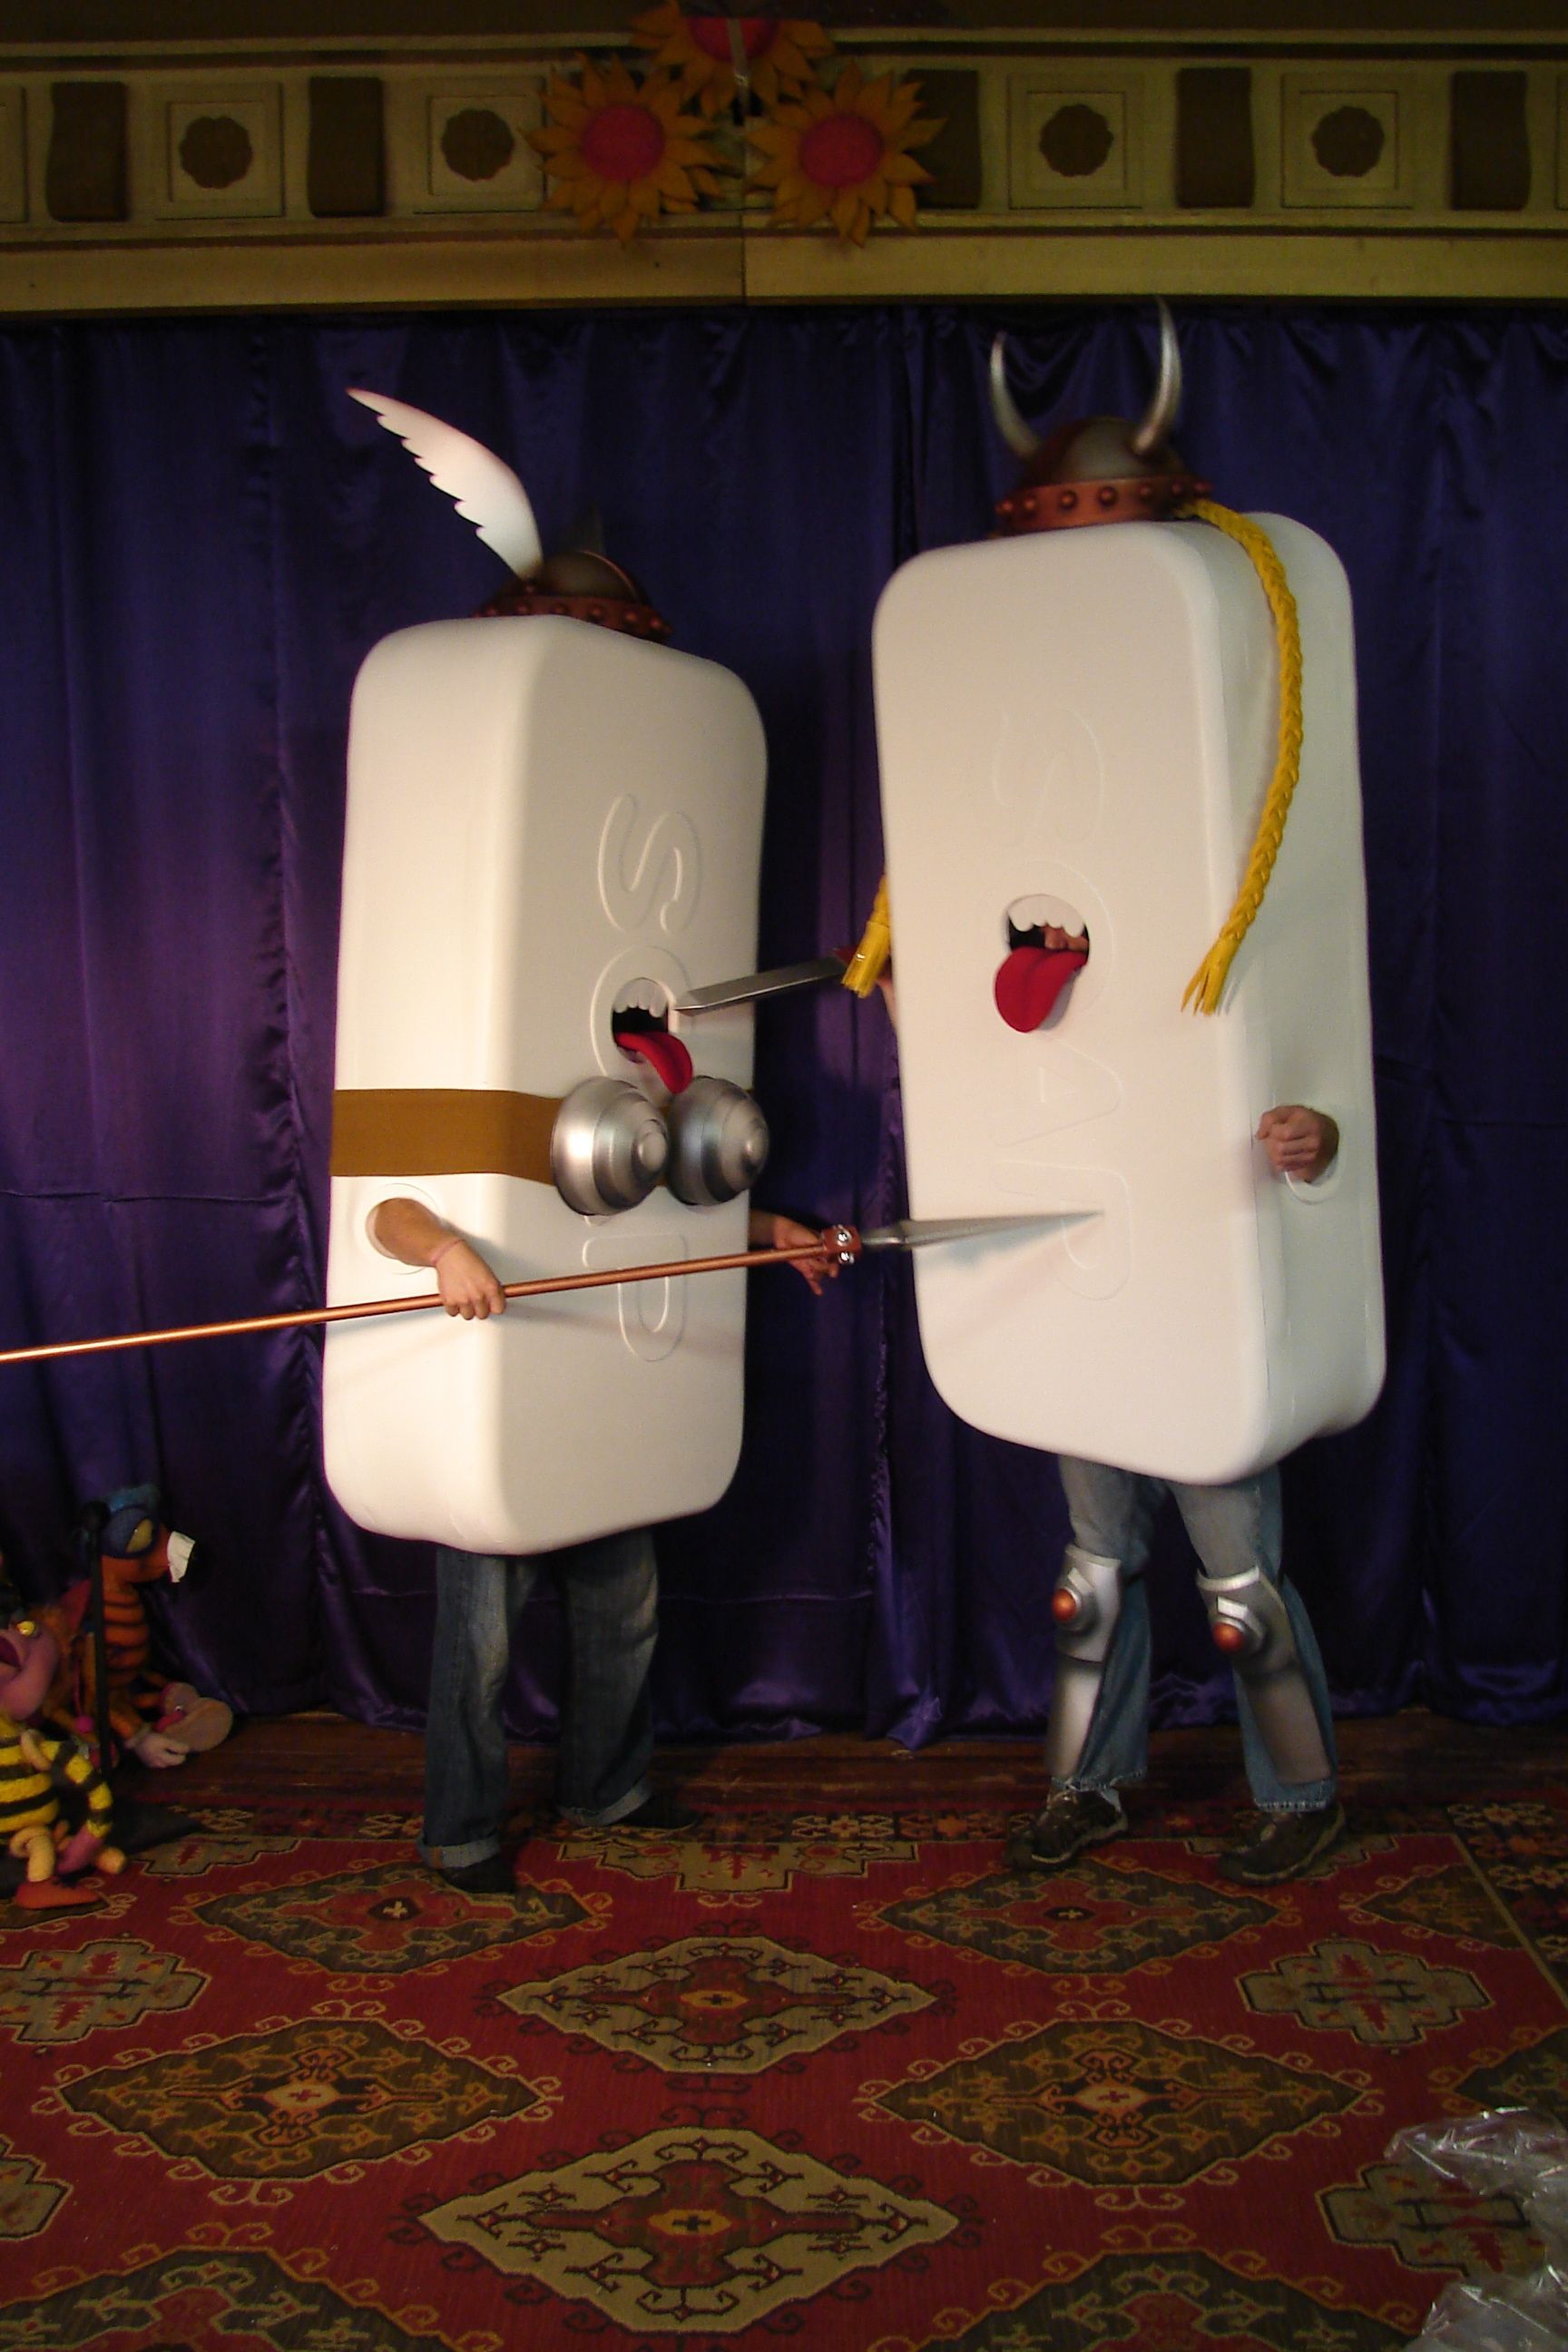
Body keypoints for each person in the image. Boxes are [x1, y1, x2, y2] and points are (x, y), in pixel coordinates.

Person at [369, 1196, 837, 1895]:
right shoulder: (486, 1112)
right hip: (500, 1420)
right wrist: (442, 1251)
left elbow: (671, 1198)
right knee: (482, 1641)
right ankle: (459, 1833)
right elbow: (382, 1214)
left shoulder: (614, 1113)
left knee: (623, 1612)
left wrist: (772, 1230)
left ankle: (604, 1788)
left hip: (600, 1399)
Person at [1013, 1102, 1346, 1888]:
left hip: (1205, 1315)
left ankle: (1304, 1799)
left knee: (1243, 1594)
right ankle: (1086, 1789)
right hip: (1095, 1307)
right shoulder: (1053, 986)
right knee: (1091, 1576)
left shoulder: (1223, 979)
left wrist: (1318, 1140)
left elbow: (1319, 1100)